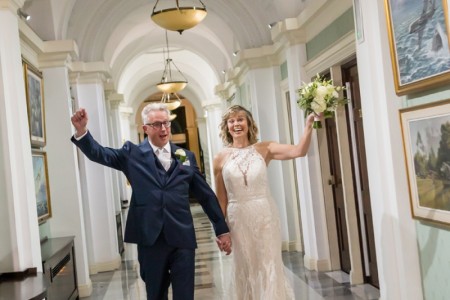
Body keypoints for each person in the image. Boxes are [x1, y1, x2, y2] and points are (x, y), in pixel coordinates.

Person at [71, 103, 232, 300]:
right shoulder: (132, 153)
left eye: (166, 123)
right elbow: (101, 154)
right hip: (150, 238)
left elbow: (205, 195)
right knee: (155, 294)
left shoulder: (185, 156)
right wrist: (82, 132)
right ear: (145, 128)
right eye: (157, 124)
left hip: (182, 237)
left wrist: (221, 229)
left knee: (185, 294)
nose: (163, 129)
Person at [213, 105, 315, 299]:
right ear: (226, 126)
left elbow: (298, 151)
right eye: (231, 120)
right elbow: (221, 199)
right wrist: (221, 230)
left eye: (240, 119)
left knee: (268, 263)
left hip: (264, 215)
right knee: (245, 265)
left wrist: (309, 125)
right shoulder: (220, 158)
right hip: (238, 218)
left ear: (249, 123)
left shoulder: (265, 148)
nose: (236, 124)